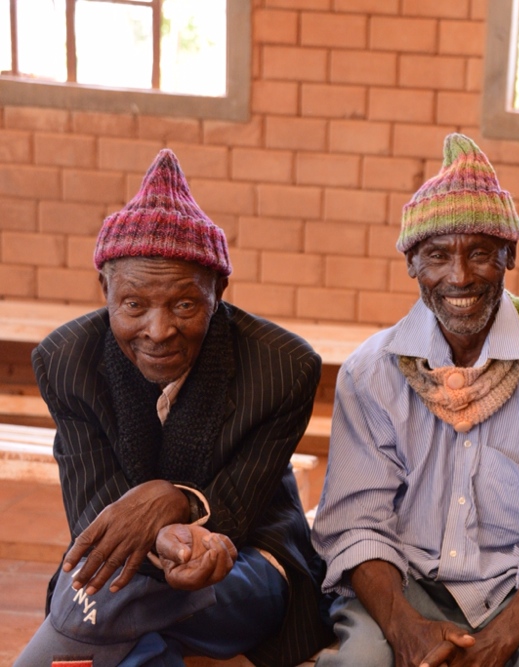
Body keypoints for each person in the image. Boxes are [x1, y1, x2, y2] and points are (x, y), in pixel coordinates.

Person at [15, 149, 333, 667]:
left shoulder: (282, 366)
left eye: (184, 304)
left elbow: (233, 508)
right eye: (134, 305)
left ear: (218, 292)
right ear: (106, 291)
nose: (159, 331)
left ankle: (73, 623)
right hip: (127, 568)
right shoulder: (67, 360)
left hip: (246, 559)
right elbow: (96, 510)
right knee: (147, 646)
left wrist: (170, 501)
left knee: (101, 597)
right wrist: (159, 524)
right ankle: (97, 615)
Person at [311, 133, 519, 667]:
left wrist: (502, 638)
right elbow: (358, 524)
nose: (460, 276)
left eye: (481, 253)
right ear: (412, 263)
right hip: (401, 587)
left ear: (509, 255)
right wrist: (405, 628)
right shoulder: (371, 372)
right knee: (362, 662)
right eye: (437, 255)